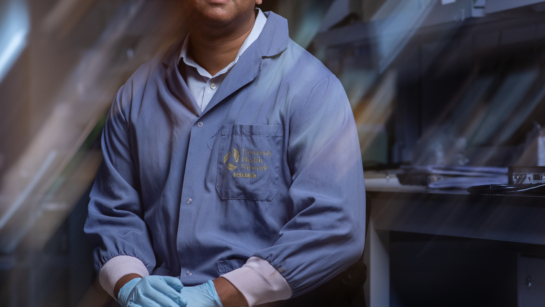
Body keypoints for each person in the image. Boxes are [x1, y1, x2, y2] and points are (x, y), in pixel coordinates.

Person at [84, 0, 366, 306]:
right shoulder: (135, 95)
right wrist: (131, 285)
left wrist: (216, 296)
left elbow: (334, 225)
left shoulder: (313, 88)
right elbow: (114, 212)